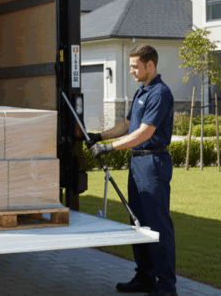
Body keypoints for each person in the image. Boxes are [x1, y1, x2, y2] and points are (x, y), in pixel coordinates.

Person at [87, 44, 177, 296]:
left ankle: (167, 286)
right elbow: (128, 125)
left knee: (157, 224)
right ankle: (145, 277)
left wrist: (109, 148)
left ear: (150, 65)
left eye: (135, 66)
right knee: (137, 222)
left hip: (153, 164)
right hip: (137, 163)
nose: (131, 71)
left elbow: (145, 132)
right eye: (131, 66)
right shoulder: (142, 92)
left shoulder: (160, 93)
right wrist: (99, 136)